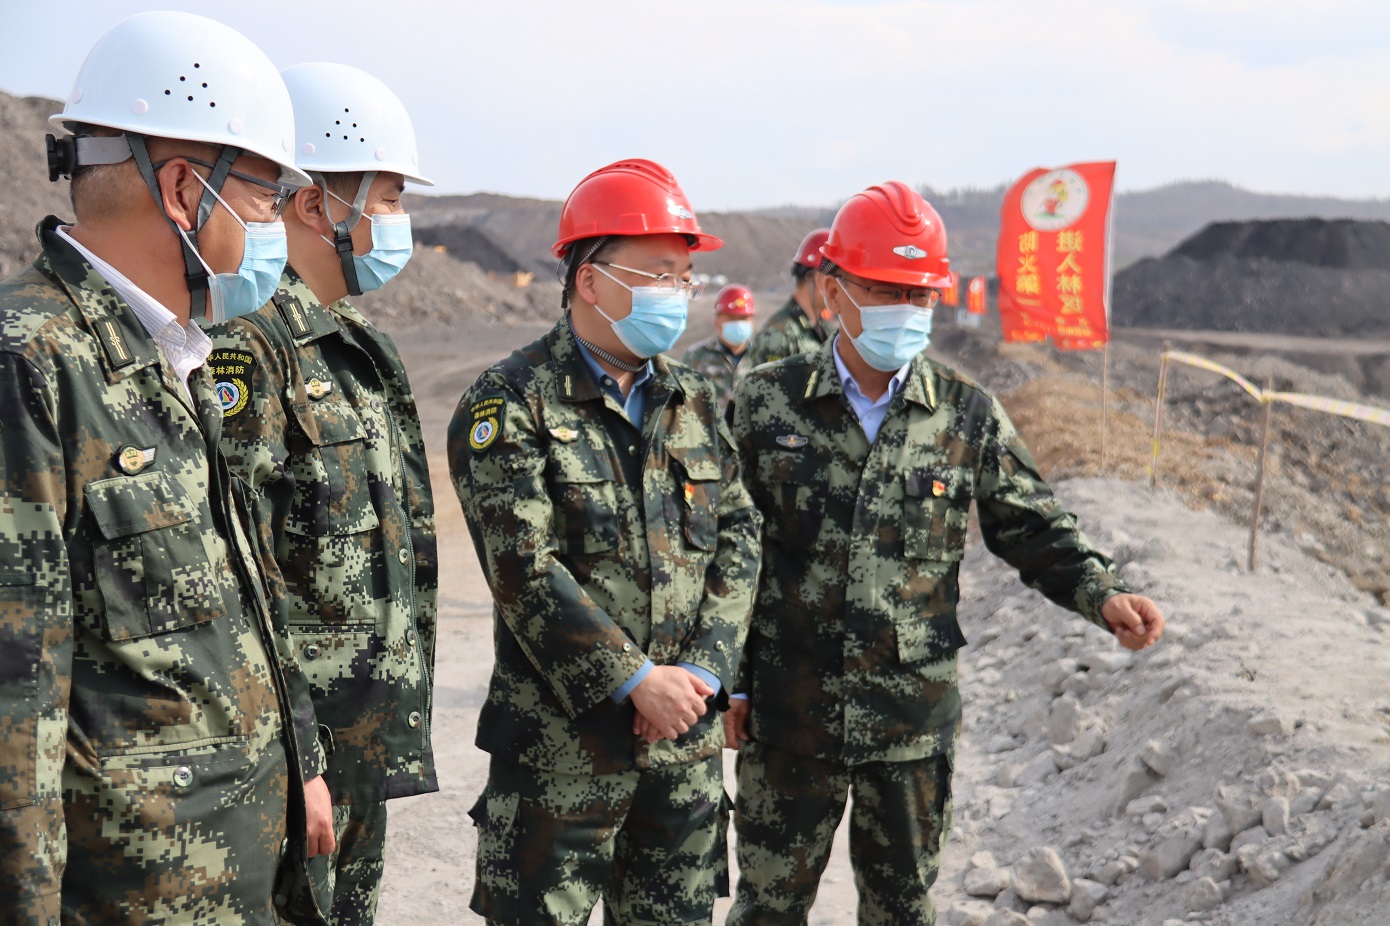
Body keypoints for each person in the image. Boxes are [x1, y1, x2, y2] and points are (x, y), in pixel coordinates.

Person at [724, 181, 1165, 925]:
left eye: (919, 293)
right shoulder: (767, 403)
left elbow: (1031, 523)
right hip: (789, 714)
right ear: (832, 290)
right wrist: (728, 682)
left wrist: (1102, 591)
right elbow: (728, 553)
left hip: (911, 722)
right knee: (768, 908)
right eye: (885, 290)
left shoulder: (965, 412)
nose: (905, 308)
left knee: (903, 909)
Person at [0, 11, 328, 924]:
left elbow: (238, 598)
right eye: (265, 198)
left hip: (230, 874)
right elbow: (15, 698)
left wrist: (300, 763)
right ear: (185, 188)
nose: (273, 227)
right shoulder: (30, 364)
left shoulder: (170, 352)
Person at [449, 158, 762, 925]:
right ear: (590, 281)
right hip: (560, 756)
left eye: (684, 277)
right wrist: (634, 680)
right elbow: (522, 566)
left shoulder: (693, 399)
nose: (677, 294)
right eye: (658, 275)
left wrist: (700, 672)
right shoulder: (511, 401)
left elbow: (740, 535)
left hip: (681, 757)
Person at [205, 62, 438, 925]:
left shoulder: (357, 343)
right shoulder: (247, 346)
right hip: (294, 756)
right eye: (388, 201)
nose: (399, 224)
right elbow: (238, 574)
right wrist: (298, 755)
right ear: (315, 206)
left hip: (357, 748)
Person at [744, 227, 832, 367]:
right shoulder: (778, 335)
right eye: (838, 281)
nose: (842, 290)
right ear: (819, 280)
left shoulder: (823, 329)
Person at [679, 282, 756, 409]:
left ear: (752, 320)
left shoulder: (763, 356)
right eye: (731, 318)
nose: (738, 323)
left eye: (743, 318)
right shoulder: (695, 356)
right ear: (717, 320)